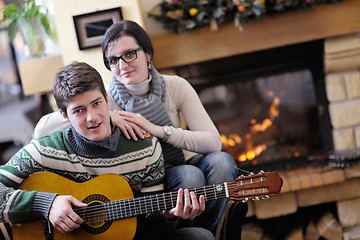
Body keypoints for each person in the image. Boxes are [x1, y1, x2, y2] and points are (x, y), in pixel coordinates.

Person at [34, 20, 238, 234]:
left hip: (181, 159)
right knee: (190, 176)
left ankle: (207, 232)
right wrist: (111, 115)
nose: (123, 65)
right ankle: (184, 233)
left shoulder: (175, 86)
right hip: (150, 176)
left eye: (130, 54)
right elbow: (43, 128)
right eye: (114, 60)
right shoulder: (104, 99)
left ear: (147, 54)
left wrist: (157, 130)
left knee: (222, 161)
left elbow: (214, 142)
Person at [0, 61, 214, 240]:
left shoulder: (145, 148)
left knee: (200, 236)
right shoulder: (44, 150)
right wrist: (48, 204)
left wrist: (169, 215)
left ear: (106, 98)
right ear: (64, 115)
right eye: (79, 110)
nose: (92, 117)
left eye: (96, 103)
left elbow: (150, 225)